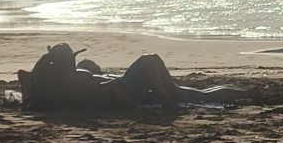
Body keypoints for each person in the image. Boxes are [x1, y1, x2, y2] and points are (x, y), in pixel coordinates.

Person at [18, 43, 245, 112]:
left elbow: (24, 76)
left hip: (119, 89)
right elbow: (108, 93)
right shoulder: (71, 80)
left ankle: (172, 99)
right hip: (121, 92)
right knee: (149, 61)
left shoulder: (60, 80)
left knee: (191, 94)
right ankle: (170, 103)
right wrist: (134, 111)